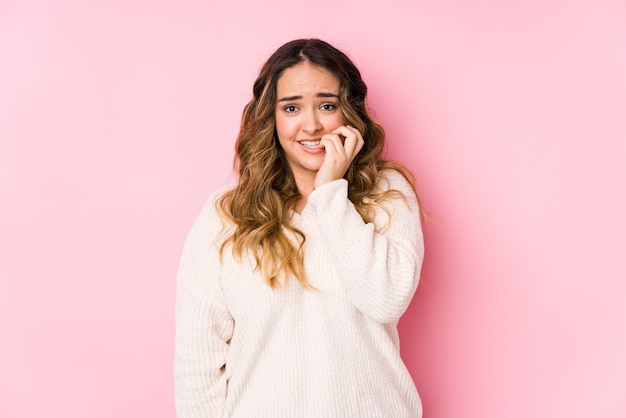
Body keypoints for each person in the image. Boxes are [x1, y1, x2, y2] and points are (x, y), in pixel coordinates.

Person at [174, 38, 424, 418]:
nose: (311, 124)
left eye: (327, 105)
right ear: (271, 117)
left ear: (350, 113)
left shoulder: (387, 194)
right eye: (291, 108)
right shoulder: (227, 214)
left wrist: (330, 194)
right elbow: (198, 359)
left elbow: (385, 299)